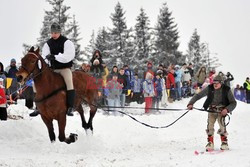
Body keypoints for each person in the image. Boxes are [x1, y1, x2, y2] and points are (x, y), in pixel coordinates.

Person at [30, 22, 75, 117]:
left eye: (55, 33)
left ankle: (70, 107)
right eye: (52, 33)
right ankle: (37, 107)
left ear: (59, 32)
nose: (54, 35)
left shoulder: (67, 42)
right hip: (52, 70)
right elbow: (45, 56)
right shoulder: (48, 44)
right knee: (36, 83)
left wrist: (55, 57)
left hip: (64, 69)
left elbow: (69, 56)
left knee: (69, 82)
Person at [187, 75, 237, 151]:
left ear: (221, 83)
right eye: (214, 83)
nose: (215, 85)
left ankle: (224, 142)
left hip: (222, 110)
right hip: (212, 109)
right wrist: (191, 103)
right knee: (210, 125)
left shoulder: (226, 89)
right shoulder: (209, 88)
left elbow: (233, 103)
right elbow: (198, 95)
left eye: (217, 83)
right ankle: (210, 142)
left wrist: (227, 109)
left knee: (222, 125)